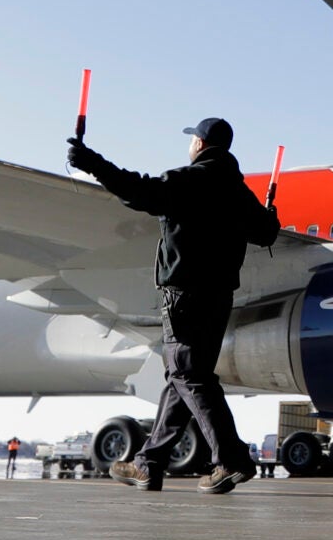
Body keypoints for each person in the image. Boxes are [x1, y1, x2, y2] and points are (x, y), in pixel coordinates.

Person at [68, 116, 280, 495]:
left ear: (199, 144)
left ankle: (230, 459)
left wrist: (90, 161)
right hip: (220, 297)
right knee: (180, 377)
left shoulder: (187, 180)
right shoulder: (238, 191)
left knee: (188, 375)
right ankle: (148, 464)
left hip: (183, 294)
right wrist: (270, 215)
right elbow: (264, 233)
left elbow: (136, 190)